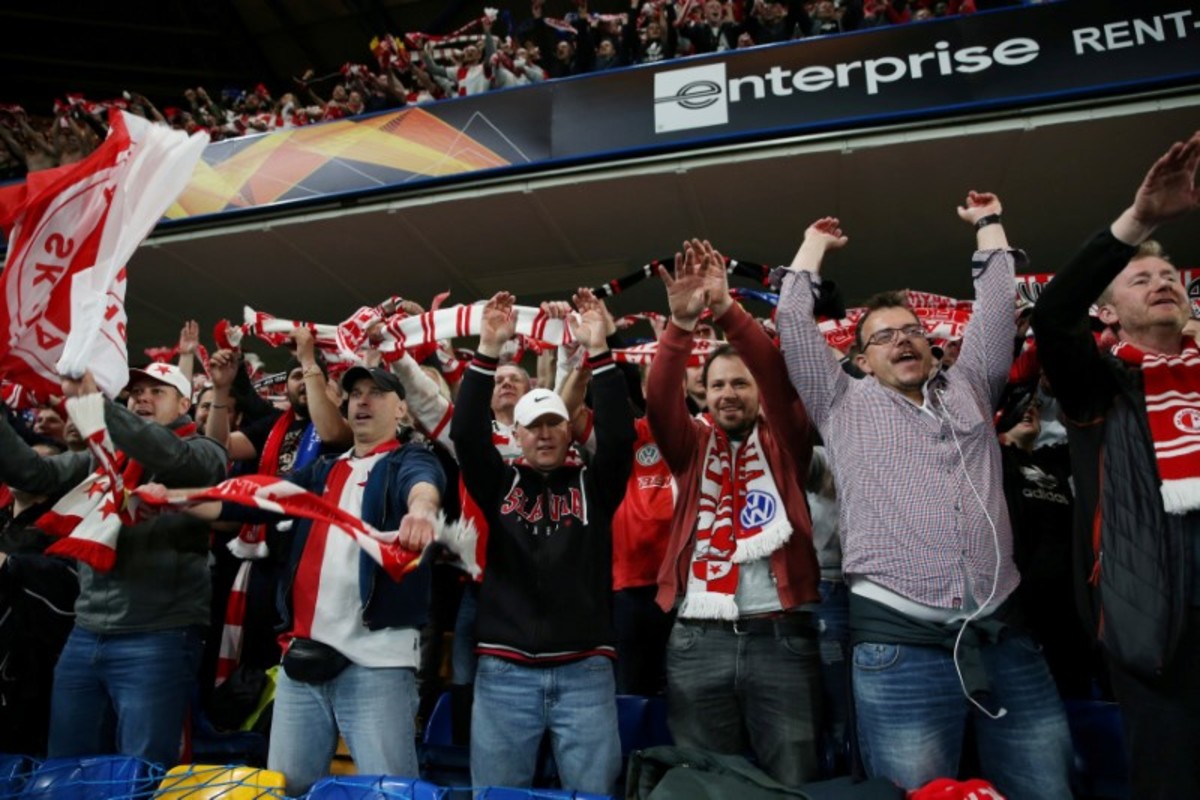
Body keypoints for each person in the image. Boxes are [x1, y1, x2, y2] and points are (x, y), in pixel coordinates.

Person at [776, 200, 1072, 799]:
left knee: (1046, 788)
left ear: (932, 345)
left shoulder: (972, 384)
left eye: (911, 330)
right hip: (900, 650)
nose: (901, 341)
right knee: (914, 794)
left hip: (1004, 636)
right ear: (861, 361)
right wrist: (813, 246)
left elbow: (997, 306)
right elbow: (789, 319)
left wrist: (988, 224)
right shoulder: (840, 403)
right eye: (883, 337)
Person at [1032, 130, 1200, 798]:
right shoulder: (1099, 389)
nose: (1162, 283)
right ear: (1107, 311)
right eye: (1141, 278)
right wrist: (1140, 221)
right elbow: (1053, 315)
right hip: (1156, 630)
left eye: (1169, 277)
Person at [186, 365, 445, 795]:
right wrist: (177, 501)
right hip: (302, 661)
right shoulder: (320, 471)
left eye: (376, 393)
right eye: (355, 393)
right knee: (285, 789)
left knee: (391, 791)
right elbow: (253, 500)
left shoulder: (411, 459)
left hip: (376, 664)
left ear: (401, 408)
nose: (362, 401)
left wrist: (420, 511)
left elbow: (423, 486)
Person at [646, 239, 822, 787]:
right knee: (706, 783)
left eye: (741, 383)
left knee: (792, 781)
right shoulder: (690, 448)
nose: (728, 393)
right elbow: (659, 403)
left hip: (780, 637)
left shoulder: (787, 440)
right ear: (703, 395)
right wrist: (680, 326)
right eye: (717, 384)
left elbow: (778, 378)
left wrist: (725, 309)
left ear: (758, 393)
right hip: (698, 638)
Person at [451, 290, 635, 795]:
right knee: (497, 795)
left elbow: (620, 439)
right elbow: (466, 435)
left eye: (554, 422)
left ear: (569, 431)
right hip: (505, 671)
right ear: (519, 436)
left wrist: (599, 351)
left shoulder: (595, 487)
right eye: (534, 426)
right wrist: (488, 350)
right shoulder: (499, 483)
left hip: (585, 671)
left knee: (593, 794)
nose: (545, 434)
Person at [0, 364, 226, 765]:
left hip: (158, 635)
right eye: (136, 391)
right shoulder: (104, 457)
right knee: (66, 768)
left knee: (140, 771)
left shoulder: (205, 452)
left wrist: (95, 404)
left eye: (157, 391)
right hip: (86, 632)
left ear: (185, 404)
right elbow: (33, 474)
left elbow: (163, 452)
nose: (142, 398)